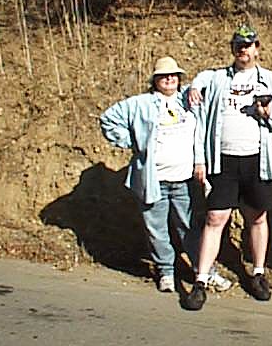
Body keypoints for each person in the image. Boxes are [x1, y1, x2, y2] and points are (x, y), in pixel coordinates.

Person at [183, 24, 272, 311]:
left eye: (248, 45)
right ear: (232, 49)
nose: (243, 50)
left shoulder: (269, 80)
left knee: (257, 217)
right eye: (238, 45)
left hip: (257, 159)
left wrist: (269, 115)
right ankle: (201, 280)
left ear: (257, 48)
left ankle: (258, 273)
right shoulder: (218, 78)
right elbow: (198, 103)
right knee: (215, 218)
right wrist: (195, 85)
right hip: (223, 159)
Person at [99, 56, 232, 294]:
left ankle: (205, 272)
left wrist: (200, 161)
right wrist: (134, 142)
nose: (169, 79)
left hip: (185, 180)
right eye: (164, 76)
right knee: (157, 229)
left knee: (190, 228)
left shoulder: (189, 102)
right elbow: (108, 120)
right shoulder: (140, 104)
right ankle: (166, 272)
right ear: (155, 80)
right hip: (153, 181)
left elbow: (201, 129)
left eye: (174, 75)